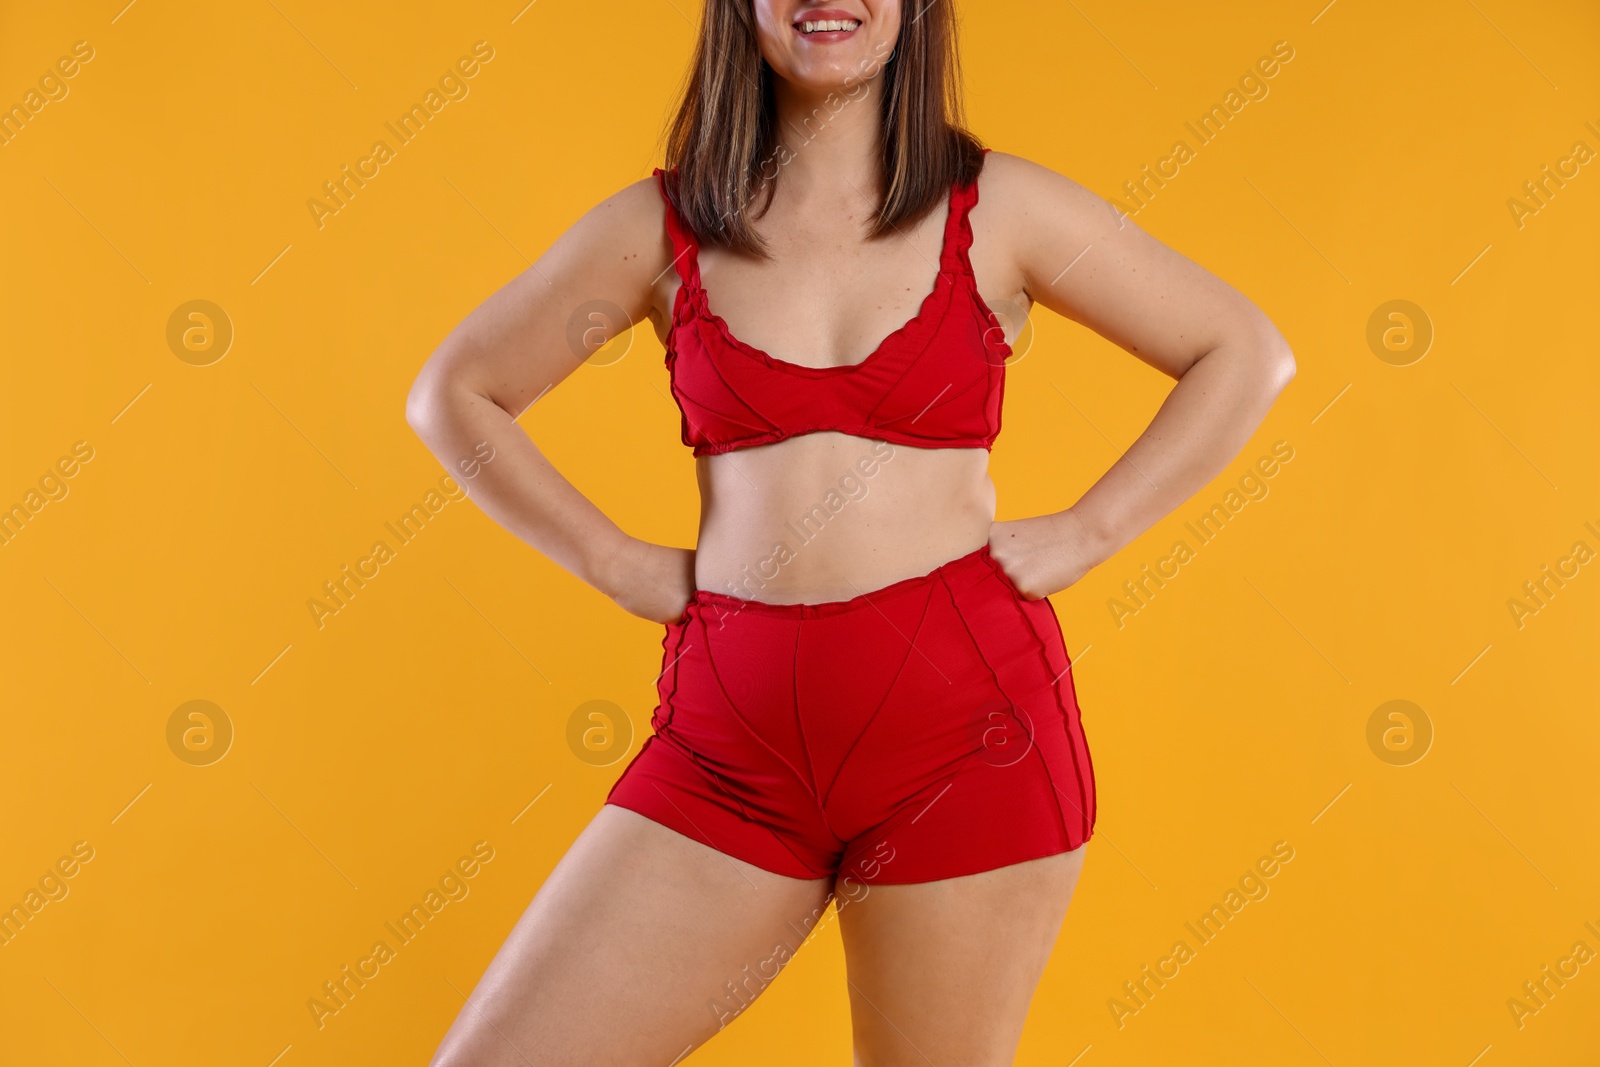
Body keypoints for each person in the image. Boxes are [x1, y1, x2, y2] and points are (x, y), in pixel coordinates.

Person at [408, 2, 1295, 1063]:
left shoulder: (999, 207)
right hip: (730, 755)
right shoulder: (661, 226)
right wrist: (609, 557)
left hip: (967, 744)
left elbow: (1241, 350)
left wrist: (1093, 527)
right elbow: (455, 393)